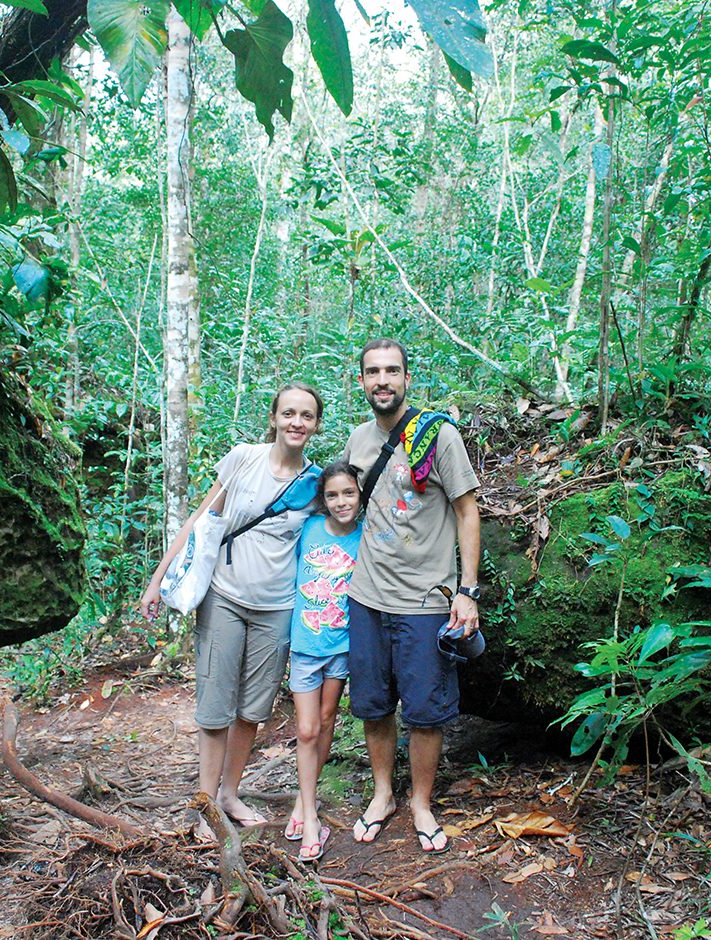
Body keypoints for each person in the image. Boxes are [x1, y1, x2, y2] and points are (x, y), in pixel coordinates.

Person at [139, 383, 324, 836]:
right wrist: (157, 579)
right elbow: (200, 524)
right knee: (215, 704)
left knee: (252, 708)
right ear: (274, 417)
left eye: (306, 416)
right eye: (288, 414)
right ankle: (205, 806)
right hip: (224, 596)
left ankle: (229, 793)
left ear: (316, 424)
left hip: (278, 606)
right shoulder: (244, 459)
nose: (296, 423)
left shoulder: (315, 484)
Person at [342, 339, 481, 855]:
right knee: (374, 704)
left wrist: (466, 591)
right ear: (361, 381)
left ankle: (421, 802)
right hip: (367, 595)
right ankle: (383, 795)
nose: (383, 380)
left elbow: (468, 510)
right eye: (373, 372)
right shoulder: (357, 441)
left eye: (392, 371)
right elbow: (342, 504)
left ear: (406, 378)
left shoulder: (438, 435)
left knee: (426, 710)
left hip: (425, 599)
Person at [282, 462, 363, 863]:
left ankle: (303, 797)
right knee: (307, 728)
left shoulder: (366, 535)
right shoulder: (310, 528)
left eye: (348, 493)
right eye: (332, 495)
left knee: (328, 720)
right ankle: (312, 821)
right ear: (323, 499)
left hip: (342, 645)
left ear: (359, 494)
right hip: (305, 645)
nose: (341, 501)